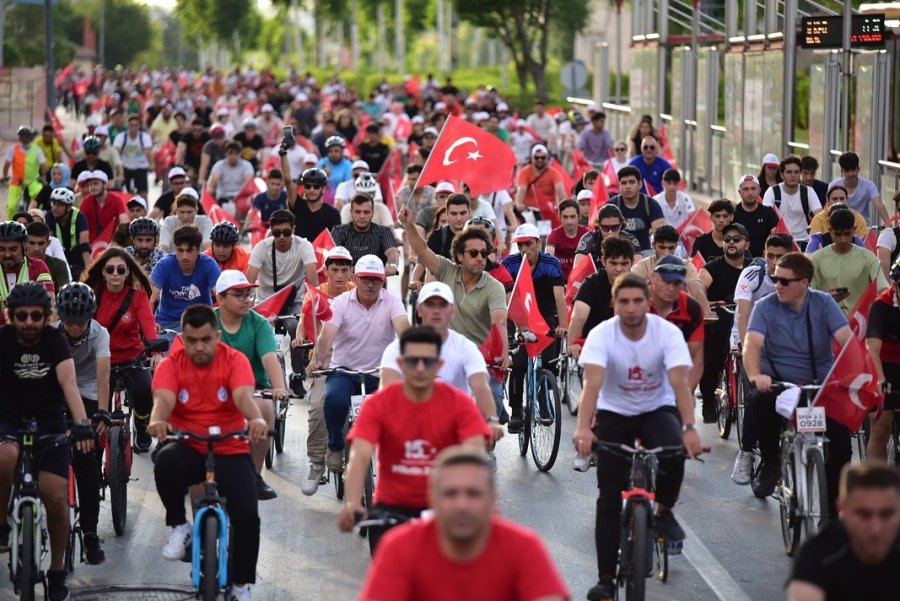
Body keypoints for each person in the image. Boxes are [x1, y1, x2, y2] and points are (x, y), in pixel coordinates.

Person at [573, 273, 702, 600]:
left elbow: (679, 385)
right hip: (615, 413)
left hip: (656, 409)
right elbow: (592, 385)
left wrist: (689, 429)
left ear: (648, 302)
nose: (631, 308)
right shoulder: (602, 334)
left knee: (674, 452)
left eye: (638, 301)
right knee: (608, 499)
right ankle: (604, 579)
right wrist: (584, 427)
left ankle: (664, 511)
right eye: (623, 302)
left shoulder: (667, 332)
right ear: (614, 305)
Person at [148, 305, 268, 601]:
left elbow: (242, 395)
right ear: (183, 339)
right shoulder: (171, 364)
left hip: (230, 447)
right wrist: (156, 420)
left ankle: (242, 585)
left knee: (248, 516)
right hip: (188, 444)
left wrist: (255, 418)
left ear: (216, 336)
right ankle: (179, 526)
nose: (198, 346)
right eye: (191, 340)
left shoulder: (234, 360)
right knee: (165, 460)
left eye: (205, 339)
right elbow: (163, 399)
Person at [338, 328, 490, 551]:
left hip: (446, 507)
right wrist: (352, 502)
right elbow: (359, 456)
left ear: (439, 365)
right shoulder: (377, 404)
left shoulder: (460, 404)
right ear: (401, 364)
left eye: (427, 362)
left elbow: (474, 456)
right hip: (391, 510)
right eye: (412, 361)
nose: (420, 368)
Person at [358, 445, 571, 601]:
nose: (462, 505)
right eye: (450, 494)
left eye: (473, 494)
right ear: (433, 500)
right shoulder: (398, 548)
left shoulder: (523, 547)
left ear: (492, 501)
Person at [0, 283, 94, 601]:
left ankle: (56, 571)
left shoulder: (55, 341)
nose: (29, 322)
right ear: (10, 316)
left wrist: (81, 424)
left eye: (36, 316)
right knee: (5, 456)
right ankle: (1, 523)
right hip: (8, 418)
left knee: (55, 497)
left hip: (49, 420)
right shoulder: (2, 340)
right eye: (22, 316)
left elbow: (68, 383)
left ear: (46, 316)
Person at [743, 252, 852, 516]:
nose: (777, 285)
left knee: (841, 443)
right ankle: (770, 461)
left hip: (819, 386)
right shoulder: (765, 307)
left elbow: (848, 342)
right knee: (759, 399)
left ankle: (834, 509)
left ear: (804, 282)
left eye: (784, 281)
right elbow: (752, 345)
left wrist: (850, 377)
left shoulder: (824, 304)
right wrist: (757, 375)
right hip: (778, 385)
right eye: (774, 279)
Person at [309, 255, 408, 472]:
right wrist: (317, 360)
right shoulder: (341, 302)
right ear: (355, 278)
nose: (370, 285)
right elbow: (327, 336)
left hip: (380, 372)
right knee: (333, 400)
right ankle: (335, 445)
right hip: (344, 371)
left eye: (376, 280)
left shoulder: (392, 301)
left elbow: (404, 331)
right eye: (365, 279)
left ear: (383, 280)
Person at [380, 282, 499, 431]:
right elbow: (387, 390)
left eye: (442, 305)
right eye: (430, 304)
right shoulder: (397, 349)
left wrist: (491, 420)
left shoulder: (466, 347)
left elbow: (480, 385)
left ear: (452, 311)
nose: (436, 311)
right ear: (418, 310)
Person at [212, 270, 288, 500]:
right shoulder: (206, 322)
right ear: (221, 298)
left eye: (249, 295)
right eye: (239, 295)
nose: (247, 300)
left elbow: (269, 358)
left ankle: (254, 474)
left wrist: (279, 387)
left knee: (265, 410)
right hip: (213, 389)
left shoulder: (259, 324)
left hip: (253, 388)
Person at [82, 247, 161, 451]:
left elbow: (148, 326)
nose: (115, 274)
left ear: (128, 272)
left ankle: (141, 426)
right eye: (110, 270)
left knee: (145, 393)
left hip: (132, 359)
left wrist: (155, 352)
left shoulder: (138, 297)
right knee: (98, 411)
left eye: (120, 270)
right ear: (102, 272)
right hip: (100, 362)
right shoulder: (92, 296)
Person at [729, 234, 792, 484]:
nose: (774, 261)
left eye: (780, 256)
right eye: (771, 256)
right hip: (750, 340)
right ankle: (745, 452)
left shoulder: (799, 275)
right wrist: (747, 349)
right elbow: (743, 315)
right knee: (757, 395)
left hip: (784, 346)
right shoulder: (751, 275)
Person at [52, 283, 108, 565]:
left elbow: (102, 376)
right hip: (53, 394)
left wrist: (102, 413)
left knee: (88, 463)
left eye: (80, 322)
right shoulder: (49, 333)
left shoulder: (100, 334)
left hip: (86, 393)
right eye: (69, 322)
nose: (74, 328)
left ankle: (89, 531)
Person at [787, 462, 900, 601]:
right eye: (864, 515)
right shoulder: (818, 554)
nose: (876, 529)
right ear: (842, 509)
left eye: (886, 514)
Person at [295, 247, 356, 496]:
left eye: (344, 270)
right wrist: (299, 338)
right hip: (324, 357)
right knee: (319, 406)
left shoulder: (358, 292)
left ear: (351, 271)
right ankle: (317, 463)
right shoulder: (316, 295)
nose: (339, 275)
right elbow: (303, 321)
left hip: (355, 356)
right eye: (334, 270)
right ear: (326, 271)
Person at [502, 224, 568, 433]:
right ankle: (516, 412)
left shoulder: (551, 263)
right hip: (518, 316)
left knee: (549, 364)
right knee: (519, 364)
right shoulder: (510, 264)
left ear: (538, 243)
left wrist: (563, 326)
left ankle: (543, 396)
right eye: (520, 245)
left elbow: (559, 298)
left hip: (546, 316)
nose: (524, 250)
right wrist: (514, 327)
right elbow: (506, 299)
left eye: (529, 244)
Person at [698, 222, 752, 422]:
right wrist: (706, 305)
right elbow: (700, 284)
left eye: (736, 239)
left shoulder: (754, 268)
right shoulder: (712, 267)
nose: (731, 243)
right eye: (727, 239)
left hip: (746, 322)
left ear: (746, 244)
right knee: (710, 362)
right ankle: (708, 404)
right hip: (719, 322)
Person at [568, 236, 636, 360]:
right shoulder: (590, 284)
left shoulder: (639, 286)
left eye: (624, 263)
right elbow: (578, 316)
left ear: (632, 262)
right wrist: (573, 343)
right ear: (604, 261)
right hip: (594, 348)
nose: (619, 268)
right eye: (613, 263)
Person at [810, 208, 887, 315]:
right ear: (830, 230)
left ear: (854, 230)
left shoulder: (868, 257)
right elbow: (807, 297)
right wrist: (826, 298)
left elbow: (884, 290)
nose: (843, 239)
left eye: (847, 234)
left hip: (859, 325)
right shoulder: (817, 259)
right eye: (838, 234)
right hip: (826, 322)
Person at [150, 225, 221, 334]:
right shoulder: (163, 265)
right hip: (167, 323)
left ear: (198, 250)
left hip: (202, 322)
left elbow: (221, 295)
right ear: (175, 250)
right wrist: (151, 323)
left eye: (189, 250)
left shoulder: (209, 264)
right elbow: (150, 298)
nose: (184, 256)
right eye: (180, 250)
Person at [648, 256, 704, 390]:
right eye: (666, 282)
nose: (671, 288)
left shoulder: (692, 308)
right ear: (653, 278)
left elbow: (696, 358)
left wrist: (685, 392)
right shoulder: (634, 300)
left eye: (676, 283)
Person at [630, 224, 710, 312]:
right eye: (662, 247)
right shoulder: (642, 266)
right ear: (653, 245)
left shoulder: (686, 265)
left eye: (670, 248)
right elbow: (632, 291)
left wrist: (707, 313)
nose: (666, 252)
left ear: (676, 246)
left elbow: (696, 290)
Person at [865, 259, 900, 461]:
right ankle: (875, 486)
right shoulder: (881, 305)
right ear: (894, 284)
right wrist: (880, 379)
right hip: (882, 366)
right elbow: (872, 348)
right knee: (880, 429)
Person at [0, 221, 55, 324]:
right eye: (2, 249)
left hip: (29, 331)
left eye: (13, 249)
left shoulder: (38, 266)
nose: (7, 254)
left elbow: (49, 305)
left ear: (24, 245)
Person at [762, 155, 822, 249]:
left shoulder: (808, 191)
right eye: (789, 172)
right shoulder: (772, 191)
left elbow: (819, 216)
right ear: (782, 174)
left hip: (804, 242)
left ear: (800, 174)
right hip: (780, 242)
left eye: (796, 172)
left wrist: (815, 236)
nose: (793, 175)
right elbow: (765, 216)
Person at [605, 166, 665, 253]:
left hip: (644, 253)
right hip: (617, 253)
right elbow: (604, 234)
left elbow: (661, 235)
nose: (628, 186)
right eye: (624, 183)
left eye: (632, 182)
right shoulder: (611, 205)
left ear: (640, 184)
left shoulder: (651, 204)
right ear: (619, 185)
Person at [331, 194, 399, 268]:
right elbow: (333, 255)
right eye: (357, 212)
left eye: (366, 212)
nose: (362, 216)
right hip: (347, 277)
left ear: (373, 213)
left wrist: (392, 265)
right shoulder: (338, 231)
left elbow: (392, 251)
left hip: (376, 276)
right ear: (351, 212)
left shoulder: (384, 232)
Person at [828, 151, 888, 226]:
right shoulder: (834, 185)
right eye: (847, 171)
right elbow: (828, 206)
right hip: (839, 226)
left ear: (858, 169)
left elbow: (879, 204)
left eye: (853, 170)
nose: (850, 174)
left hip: (862, 226)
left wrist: (887, 222)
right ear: (842, 171)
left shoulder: (868, 185)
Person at [573, 204, 641, 269]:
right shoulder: (589, 239)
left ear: (621, 225)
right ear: (599, 225)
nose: (610, 232)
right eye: (606, 228)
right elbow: (577, 271)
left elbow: (638, 271)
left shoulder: (630, 240)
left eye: (614, 227)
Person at [1, 126, 46, 220]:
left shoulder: (37, 149)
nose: (25, 138)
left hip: (32, 181)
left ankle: (36, 219)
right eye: (22, 136)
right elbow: (6, 164)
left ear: (31, 137)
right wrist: (5, 175)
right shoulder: (13, 149)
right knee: (11, 206)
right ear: (19, 137)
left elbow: (43, 165)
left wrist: (43, 176)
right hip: (16, 181)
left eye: (27, 136)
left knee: (39, 194)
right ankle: (10, 223)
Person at [514, 145, 566, 224]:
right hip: (531, 211)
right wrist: (519, 204)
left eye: (543, 157)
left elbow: (560, 190)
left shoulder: (554, 173)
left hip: (549, 210)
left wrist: (564, 206)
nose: (540, 160)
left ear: (547, 158)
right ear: (531, 158)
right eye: (536, 158)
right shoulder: (524, 172)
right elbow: (521, 189)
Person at [732, 174, 779, 258]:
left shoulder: (768, 212)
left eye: (753, 188)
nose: (750, 193)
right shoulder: (732, 213)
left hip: (762, 261)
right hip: (737, 259)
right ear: (739, 192)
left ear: (759, 190)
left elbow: (776, 237)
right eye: (746, 189)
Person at [77, 170, 129, 244]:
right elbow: (79, 225)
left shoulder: (116, 200)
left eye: (95, 184)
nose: (92, 187)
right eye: (90, 184)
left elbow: (124, 222)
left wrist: (116, 240)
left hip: (113, 244)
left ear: (105, 185)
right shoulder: (85, 202)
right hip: (92, 246)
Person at [546, 199, 589, 280]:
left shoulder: (587, 234)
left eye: (572, 217)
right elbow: (549, 260)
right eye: (565, 217)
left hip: (582, 280)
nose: (569, 221)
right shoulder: (553, 235)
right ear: (559, 217)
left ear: (579, 216)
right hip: (560, 280)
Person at [112, 115, 154, 198]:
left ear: (139, 126)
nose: (134, 127)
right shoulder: (121, 137)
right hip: (125, 167)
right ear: (128, 125)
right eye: (131, 125)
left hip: (140, 167)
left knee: (143, 194)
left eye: (136, 125)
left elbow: (148, 151)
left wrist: (152, 164)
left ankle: (144, 208)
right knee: (117, 189)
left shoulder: (144, 137)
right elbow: (116, 152)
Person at [206, 141, 254, 214]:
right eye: (230, 153)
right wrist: (209, 195)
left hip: (240, 198)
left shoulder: (246, 165)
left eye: (236, 153)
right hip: (223, 197)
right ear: (225, 153)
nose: (233, 156)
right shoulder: (219, 165)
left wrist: (239, 197)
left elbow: (249, 183)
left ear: (240, 154)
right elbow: (211, 183)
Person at [25, 222, 70, 290]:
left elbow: (63, 294)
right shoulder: (17, 263)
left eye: (41, 243)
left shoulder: (59, 265)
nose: (36, 248)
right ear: (25, 243)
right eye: (32, 243)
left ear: (48, 243)